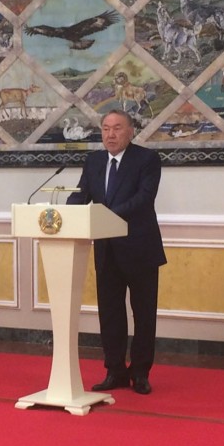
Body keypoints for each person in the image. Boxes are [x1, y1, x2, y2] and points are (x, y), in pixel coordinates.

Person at [67, 109, 166, 394]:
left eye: (117, 128)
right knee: (110, 314)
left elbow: (144, 199)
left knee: (143, 315)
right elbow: (81, 195)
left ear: (131, 131)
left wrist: (107, 215)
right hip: (106, 249)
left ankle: (141, 373)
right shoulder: (94, 161)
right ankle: (115, 371)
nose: (110, 134)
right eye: (106, 129)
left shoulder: (146, 159)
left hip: (140, 248)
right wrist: (64, 213)